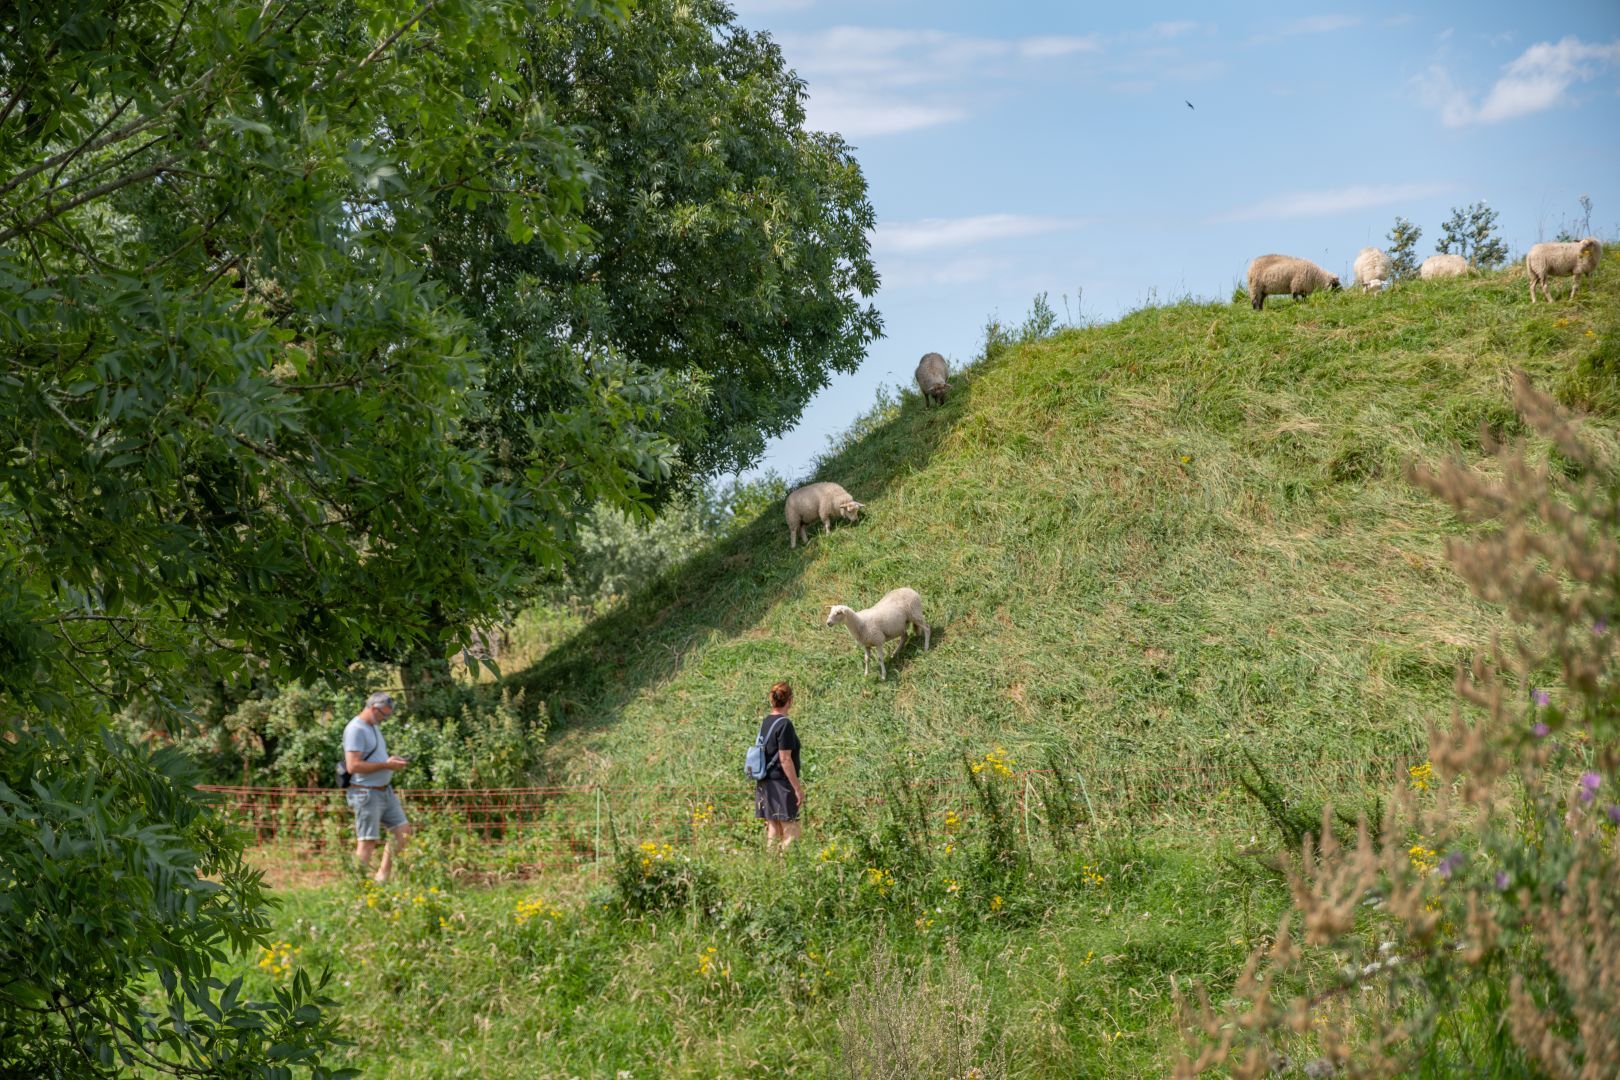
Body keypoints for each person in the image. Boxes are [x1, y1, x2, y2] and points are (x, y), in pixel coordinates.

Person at [343, 691, 413, 881]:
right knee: (367, 842)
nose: (385, 718)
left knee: (403, 831)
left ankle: (382, 877)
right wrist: (385, 765)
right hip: (366, 793)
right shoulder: (356, 729)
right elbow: (353, 766)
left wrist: (392, 761)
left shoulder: (373, 727)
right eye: (384, 714)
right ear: (373, 709)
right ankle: (356, 886)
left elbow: (376, 757)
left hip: (385, 791)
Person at [754, 681, 804, 850]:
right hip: (781, 784)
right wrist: (797, 788)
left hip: (764, 783)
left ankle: (771, 871)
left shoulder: (766, 722)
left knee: (774, 831)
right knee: (792, 832)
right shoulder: (785, 724)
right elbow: (785, 759)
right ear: (789, 700)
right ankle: (788, 872)